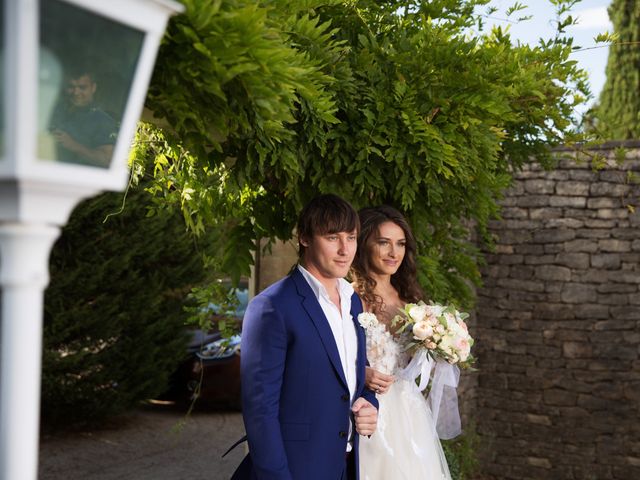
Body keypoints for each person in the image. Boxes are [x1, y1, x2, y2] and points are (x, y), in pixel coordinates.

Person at [231, 194, 379, 480]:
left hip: (347, 466)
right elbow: (260, 411)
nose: (344, 249)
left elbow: (354, 375)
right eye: (332, 237)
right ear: (305, 239)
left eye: (351, 237)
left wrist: (370, 402)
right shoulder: (272, 306)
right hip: (294, 469)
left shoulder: (354, 302)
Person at [351, 205, 453, 480]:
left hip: (410, 411)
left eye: (400, 244)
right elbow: (333, 355)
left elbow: (415, 365)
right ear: (364, 245)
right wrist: (361, 373)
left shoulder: (411, 301)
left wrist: (442, 346)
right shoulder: (349, 298)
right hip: (370, 410)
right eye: (383, 243)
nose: (393, 253)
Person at [49, 70, 117, 167]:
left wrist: (73, 145)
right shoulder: (57, 111)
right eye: (71, 87)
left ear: (93, 88)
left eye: (82, 87)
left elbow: (107, 160)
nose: (76, 92)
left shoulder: (103, 120)